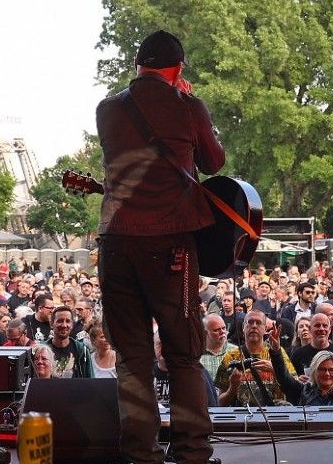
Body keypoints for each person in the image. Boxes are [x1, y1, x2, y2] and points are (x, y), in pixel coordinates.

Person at [96, 30, 226, 464]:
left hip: (116, 243)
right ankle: (192, 454)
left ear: (137, 65)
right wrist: (186, 101)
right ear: (178, 68)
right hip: (170, 246)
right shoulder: (188, 106)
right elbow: (213, 162)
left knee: (132, 360)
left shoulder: (107, 109)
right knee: (184, 355)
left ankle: (141, 455)